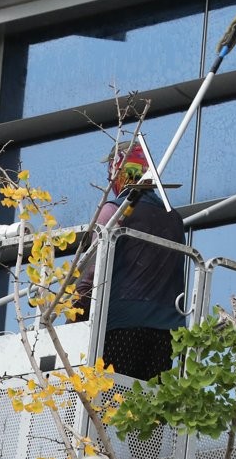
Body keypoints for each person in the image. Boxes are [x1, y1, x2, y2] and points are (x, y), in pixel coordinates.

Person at [74, 141, 186, 380]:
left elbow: (92, 270)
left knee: (110, 406)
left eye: (111, 173)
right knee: (149, 408)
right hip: (165, 331)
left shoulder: (114, 211)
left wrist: (74, 310)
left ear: (119, 171)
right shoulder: (174, 219)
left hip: (121, 323)